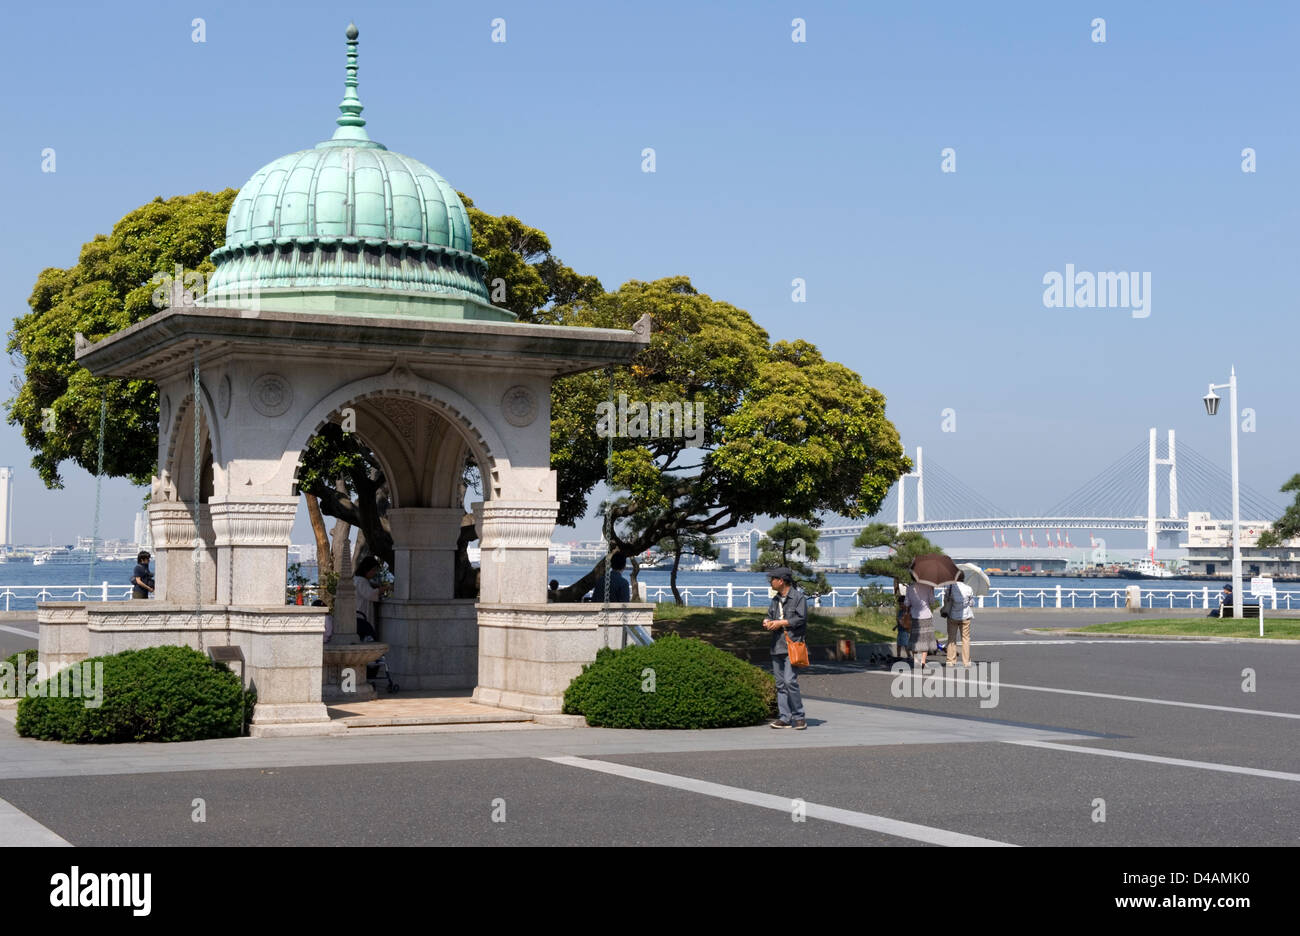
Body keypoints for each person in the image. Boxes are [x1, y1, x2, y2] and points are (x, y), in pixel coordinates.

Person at [762, 567, 807, 730]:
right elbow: (770, 615)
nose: (770, 582)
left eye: (772, 579)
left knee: (790, 681)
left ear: (781, 581)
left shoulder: (798, 597)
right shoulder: (775, 600)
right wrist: (767, 621)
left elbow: (801, 619)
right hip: (776, 645)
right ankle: (784, 717)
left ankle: (799, 716)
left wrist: (781, 623)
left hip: (792, 644)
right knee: (780, 683)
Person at [354, 556, 390, 642]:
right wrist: (386, 588)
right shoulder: (361, 581)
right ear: (367, 569)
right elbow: (370, 594)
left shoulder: (357, 579)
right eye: (373, 570)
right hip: (361, 613)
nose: (374, 573)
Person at [942, 571, 974, 667]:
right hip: (965, 616)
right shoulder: (968, 588)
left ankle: (950, 661)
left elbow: (946, 599)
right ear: (963, 578)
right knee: (966, 639)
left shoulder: (950, 587)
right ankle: (966, 661)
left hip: (952, 616)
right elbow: (971, 603)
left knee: (951, 638)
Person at [905, 579, 936, 668]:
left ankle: (916, 660)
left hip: (915, 616)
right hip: (926, 616)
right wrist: (932, 590)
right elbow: (932, 602)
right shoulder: (928, 587)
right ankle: (923, 661)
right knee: (925, 639)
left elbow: (906, 603)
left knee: (915, 639)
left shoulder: (909, 589)